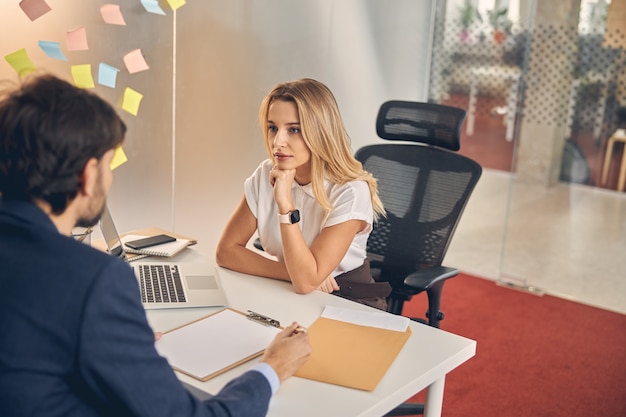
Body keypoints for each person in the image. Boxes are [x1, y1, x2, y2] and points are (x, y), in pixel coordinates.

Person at [0, 73, 311, 417]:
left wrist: (115, 343)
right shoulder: (93, 280)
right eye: (108, 164)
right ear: (87, 176)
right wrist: (271, 370)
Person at [216, 78, 391, 309]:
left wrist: (285, 204)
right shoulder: (266, 173)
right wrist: (296, 273)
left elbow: (306, 282)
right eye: (273, 128)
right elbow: (226, 252)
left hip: (349, 302)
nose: (278, 141)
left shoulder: (350, 191)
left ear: (320, 132)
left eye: (294, 129)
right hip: (291, 292)